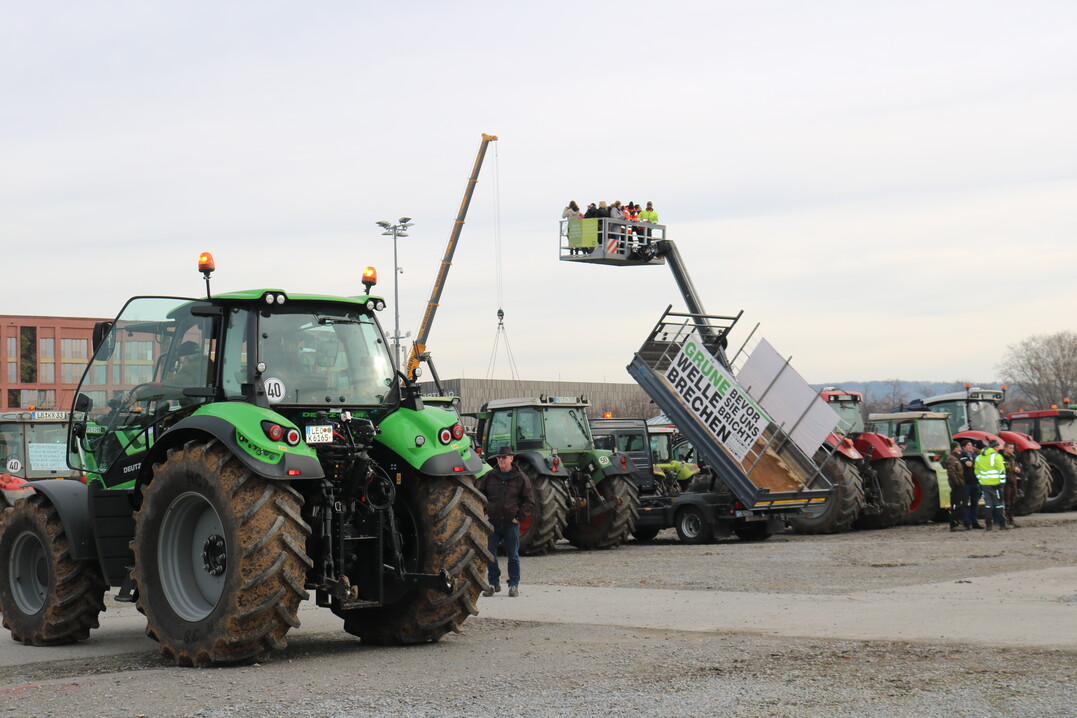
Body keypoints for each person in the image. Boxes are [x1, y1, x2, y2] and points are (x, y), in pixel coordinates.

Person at [479, 446, 534, 597]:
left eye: (504, 457)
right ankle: (493, 583)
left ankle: (513, 585)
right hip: (493, 524)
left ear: (511, 458)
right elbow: (480, 495)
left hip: (511, 524)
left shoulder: (521, 477)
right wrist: (484, 513)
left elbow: (529, 501)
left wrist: (519, 517)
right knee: (489, 554)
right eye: (499, 457)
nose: (501, 460)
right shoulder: (489, 476)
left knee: (513, 555)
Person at [975, 439, 1008, 530]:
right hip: (996, 484)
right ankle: (1002, 524)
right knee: (999, 504)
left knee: (988, 505)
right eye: (997, 447)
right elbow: (1001, 471)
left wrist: (981, 481)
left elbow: (977, 471)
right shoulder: (996, 456)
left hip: (984, 484)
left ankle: (988, 525)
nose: (998, 449)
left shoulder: (979, 457)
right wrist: (1002, 483)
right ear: (995, 447)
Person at [959, 440, 983, 529]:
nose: (970, 447)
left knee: (975, 503)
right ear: (963, 447)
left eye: (971, 445)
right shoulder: (961, 455)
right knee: (965, 503)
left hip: (975, 482)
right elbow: (964, 465)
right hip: (966, 483)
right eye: (968, 445)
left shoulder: (974, 456)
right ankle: (966, 522)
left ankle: (974, 522)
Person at [945, 441, 966, 532]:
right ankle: (953, 524)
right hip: (956, 485)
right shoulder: (951, 459)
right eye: (957, 447)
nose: (959, 449)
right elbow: (951, 472)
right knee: (955, 505)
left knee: (958, 505)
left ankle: (957, 522)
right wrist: (957, 482)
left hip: (960, 484)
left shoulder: (957, 458)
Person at [1001, 442, 1021, 528]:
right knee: (1007, 503)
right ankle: (1005, 520)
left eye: (1013, 448)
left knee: (1012, 502)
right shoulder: (1001, 458)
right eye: (1010, 448)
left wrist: (1017, 469)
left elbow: (1014, 467)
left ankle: (1011, 519)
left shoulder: (1013, 457)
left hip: (1013, 482)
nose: (1012, 450)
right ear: (1005, 448)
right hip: (1006, 483)